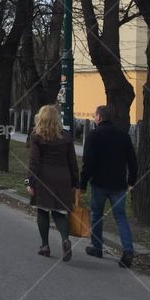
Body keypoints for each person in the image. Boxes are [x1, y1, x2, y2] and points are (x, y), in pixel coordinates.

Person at [80, 104, 138, 268]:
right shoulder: (123, 135)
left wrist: (83, 183)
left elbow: (88, 162)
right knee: (120, 217)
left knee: (96, 214)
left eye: (94, 115)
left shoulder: (94, 135)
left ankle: (97, 247)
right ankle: (128, 250)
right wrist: (131, 180)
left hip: (99, 182)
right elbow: (132, 160)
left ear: (99, 117)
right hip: (118, 183)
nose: (94, 118)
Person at [27, 105, 79, 260]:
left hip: (44, 177)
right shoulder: (67, 136)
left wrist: (29, 181)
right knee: (59, 212)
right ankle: (65, 239)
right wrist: (76, 182)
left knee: (43, 211)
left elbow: (34, 162)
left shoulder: (37, 136)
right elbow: (72, 161)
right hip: (63, 177)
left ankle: (45, 245)